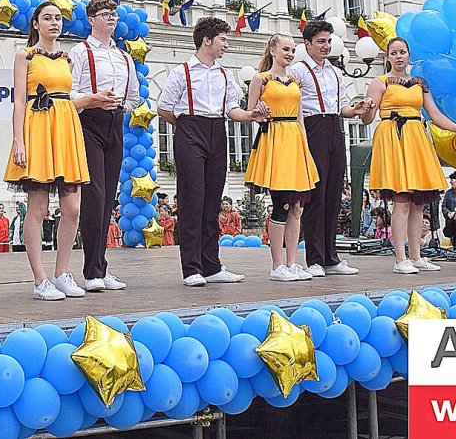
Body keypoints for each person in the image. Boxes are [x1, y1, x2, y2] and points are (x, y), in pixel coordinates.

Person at [158, 16, 267, 287]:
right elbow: (164, 108)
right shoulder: (182, 72)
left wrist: (251, 115)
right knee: (192, 199)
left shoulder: (224, 75)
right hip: (190, 129)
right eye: (222, 40)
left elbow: (232, 109)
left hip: (217, 131)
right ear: (207, 40)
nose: (226, 45)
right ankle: (191, 268)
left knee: (212, 200)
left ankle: (212, 265)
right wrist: (186, 127)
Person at [4, 1, 90, 300]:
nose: (54, 23)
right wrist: (18, 140)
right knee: (38, 207)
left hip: (65, 127)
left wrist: (92, 100)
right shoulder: (25, 56)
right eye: (48, 18)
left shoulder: (67, 59)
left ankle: (61, 272)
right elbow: (19, 100)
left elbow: (70, 97)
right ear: (36, 23)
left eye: (58, 18)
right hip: (38, 127)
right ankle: (40, 279)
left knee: (73, 208)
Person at [361, 36, 456, 274]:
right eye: (394, 53)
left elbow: (434, 114)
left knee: (418, 202)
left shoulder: (420, 83)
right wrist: (366, 108)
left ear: (409, 55)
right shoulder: (380, 82)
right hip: (393, 137)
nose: (398, 56)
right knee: (402, 200)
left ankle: (416, 255)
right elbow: (367, 118)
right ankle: (400, 258)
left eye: (402, 52)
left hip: (416, 137)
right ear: (388, 57)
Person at [290, 20, 371, 278]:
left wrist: (356, 110)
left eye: (328, 41)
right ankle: (314, 258)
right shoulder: (298, 71)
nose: (326, 46)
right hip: (312, 128)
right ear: (307, 44)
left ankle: (330, 257)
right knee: (316, 194)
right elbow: (293, 105)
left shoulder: (336, 73)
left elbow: (342, 107)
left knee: (334, 192)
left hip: (335, 127)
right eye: (320, 41)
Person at [69, 0, 138, 293]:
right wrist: (92, 100)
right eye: (105, 14)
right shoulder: (79, 52)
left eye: (114, 14)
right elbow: (68, 93)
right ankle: (92, 270)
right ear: (91, 19)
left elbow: (134, 95)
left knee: (109, 196)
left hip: (114, 122)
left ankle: (101, 265)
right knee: (94, 196)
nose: (111, 18)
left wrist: (122, 106)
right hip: (89, 122)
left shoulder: (123, 56)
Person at [243, 33, 320, 282]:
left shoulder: (294, 81)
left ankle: (292, 262)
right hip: (275, 138)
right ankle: (277, 265)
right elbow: (250, 113)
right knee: (282, 204)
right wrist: (260, 112)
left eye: (293, 50)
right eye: (286, 49)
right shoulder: (261, 79)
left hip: (294, 140)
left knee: (297, 206)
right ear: (273, 50)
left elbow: (300, 116)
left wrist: (305, 147)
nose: (290, 54)